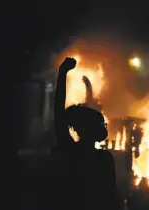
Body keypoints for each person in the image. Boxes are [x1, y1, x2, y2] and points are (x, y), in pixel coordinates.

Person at [53, 57, 117, 210]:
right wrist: (62, 74)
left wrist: (63, 73)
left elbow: (111, 196)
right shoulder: (100, 158)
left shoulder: (74, 150)